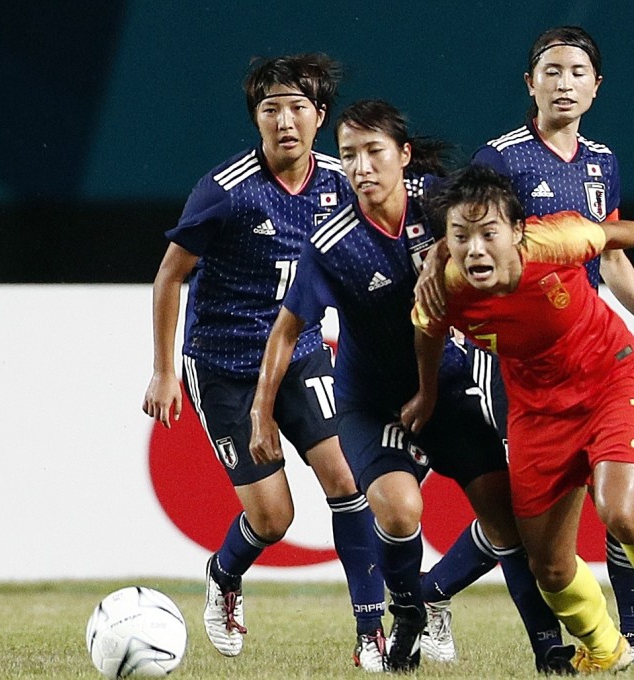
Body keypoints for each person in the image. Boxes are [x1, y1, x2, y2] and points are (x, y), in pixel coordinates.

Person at [250, 99, 581, 674]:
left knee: (505, 517)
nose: (360, 167)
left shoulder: (443, 203)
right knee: (401, 510)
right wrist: (261, 414)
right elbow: (285, 332)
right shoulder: (331, 244)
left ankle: (547, 646)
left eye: (373, 152)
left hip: (447, 388)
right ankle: (406, 612)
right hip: (370, 402)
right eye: (348, 155)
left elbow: (505, 230)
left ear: (403, 156)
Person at [407, 163, 634, 677]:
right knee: (549, 567)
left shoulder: (553, 239)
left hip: (612, 379)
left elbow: (607, 235)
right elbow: (426, 337)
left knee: (622, 513)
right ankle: (606, 648)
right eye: (460, 237)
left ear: (517, 232)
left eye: (489, 234)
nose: (475, 249)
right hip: (537, 413)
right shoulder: (445, 288)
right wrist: (427, 398)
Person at [141, 54, 387, 671]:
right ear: (255, 117)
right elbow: (170, 277)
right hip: (223, 364)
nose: (284, 121)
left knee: (348, 482)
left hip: (301, 354)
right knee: (274, 519)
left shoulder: (340, 183)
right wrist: (164, 369)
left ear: (320, 116)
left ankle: (370, 635)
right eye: (270, 108)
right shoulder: (224, 192)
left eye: (297, 107)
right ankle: (224, 574)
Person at [467, 29, 634, 662]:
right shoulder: (501, 160)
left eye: (577, 72)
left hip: (596, 353)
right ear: (529, 83)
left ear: (597, 86)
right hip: (522, 363)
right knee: (534, 516)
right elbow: (471, 251)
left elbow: (610, 255)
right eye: (551, 71)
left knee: (617, 492)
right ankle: (441, 596)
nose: (564, 82)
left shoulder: (602, 162)